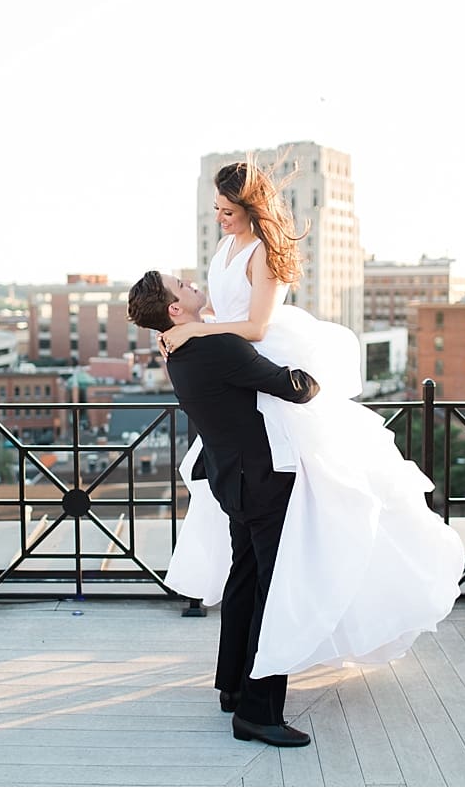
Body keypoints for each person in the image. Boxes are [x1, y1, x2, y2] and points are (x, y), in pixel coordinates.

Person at [160, 156, 465, 681]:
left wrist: (194, 331)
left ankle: (292, 638)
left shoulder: (266, 252)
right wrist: (192, 327)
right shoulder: (225, 249)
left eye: (228, 210)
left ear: (251, 207)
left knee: (322, 506)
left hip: (262, 363)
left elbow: (256, 327)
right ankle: (246, 675)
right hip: (236, 378)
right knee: (254, 554)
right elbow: (224, 314)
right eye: (216, 209)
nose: (220, 218)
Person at [127, 270, 320, 747]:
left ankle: (232, 686)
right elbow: (296, 387)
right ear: (175, 309)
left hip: (232, 482)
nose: (193, 284)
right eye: (182, 285)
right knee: (273, 593)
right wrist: (315, 369)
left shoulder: (179, 351)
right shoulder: (217, 348)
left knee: (245, 581)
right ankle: (258, 712)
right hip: (263, 483)